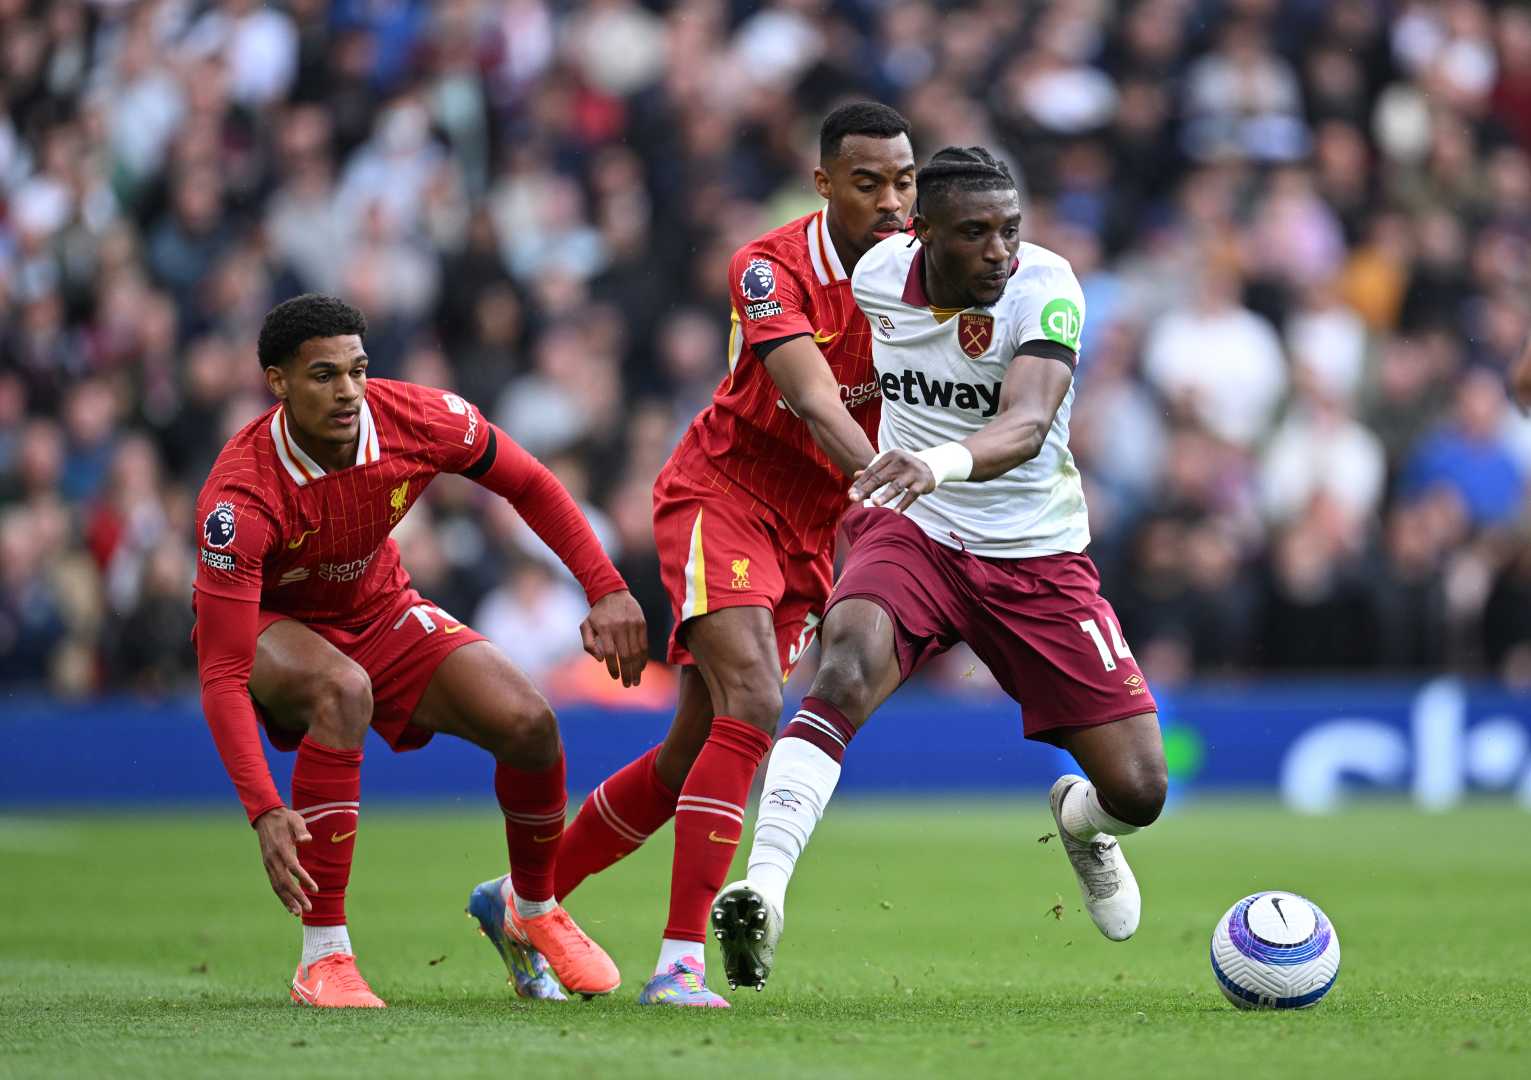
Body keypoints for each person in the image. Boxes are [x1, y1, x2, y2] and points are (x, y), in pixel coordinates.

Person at [493, 102, 917, 1008]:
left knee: (691, 755)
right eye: (869, 182)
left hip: (811, 532)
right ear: (824, 184)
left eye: (904, 181)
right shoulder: (767, 266)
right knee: (758, 702)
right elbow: (807, 395)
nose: (891, 201)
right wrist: (891, 477)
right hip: (720, 496)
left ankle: (522, 899)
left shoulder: (927, 274)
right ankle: (680, 961)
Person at [713, 148, 1168, 991]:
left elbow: (1028, 423)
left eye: (1009, 230)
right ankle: (763, 892)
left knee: (1140, 789)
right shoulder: (880, 273)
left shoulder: (1046, 288)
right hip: (913, 530)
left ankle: (1080, 821)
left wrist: (938, 463)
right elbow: (801, 343)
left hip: (1035, 553)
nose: (1000, 250)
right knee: (843, 663)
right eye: (976, 233)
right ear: (921, 235)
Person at [193, 294, 648, 1008]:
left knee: (529, 724)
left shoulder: (419, 418)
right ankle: (324, 959)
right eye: (323, 375)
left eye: (357, 370)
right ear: (277, 382)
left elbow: (527, 482)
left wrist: (606, 587)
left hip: (380, 609)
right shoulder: (241, 497)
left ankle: (529, 911)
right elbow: (220, 671)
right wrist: (262, 808)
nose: (347, 392)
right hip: (273, 627)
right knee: (342, 690)